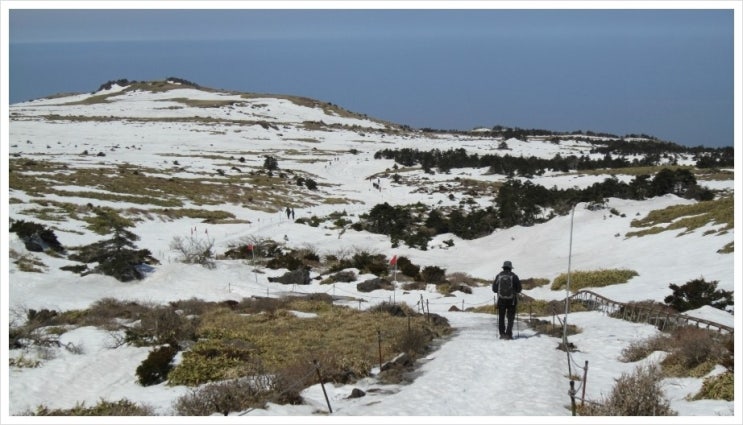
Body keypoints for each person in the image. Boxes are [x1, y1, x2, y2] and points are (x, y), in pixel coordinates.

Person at [492, 260, 522, 340]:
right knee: (510, 317)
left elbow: (494, 289)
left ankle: (502, 334)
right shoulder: (514, 276)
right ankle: (508, 334)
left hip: (501, 300)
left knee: (501, 317)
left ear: (503, 267)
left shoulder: (499, 276)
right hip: (512, 300)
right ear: (510, 268)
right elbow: (519, 289)